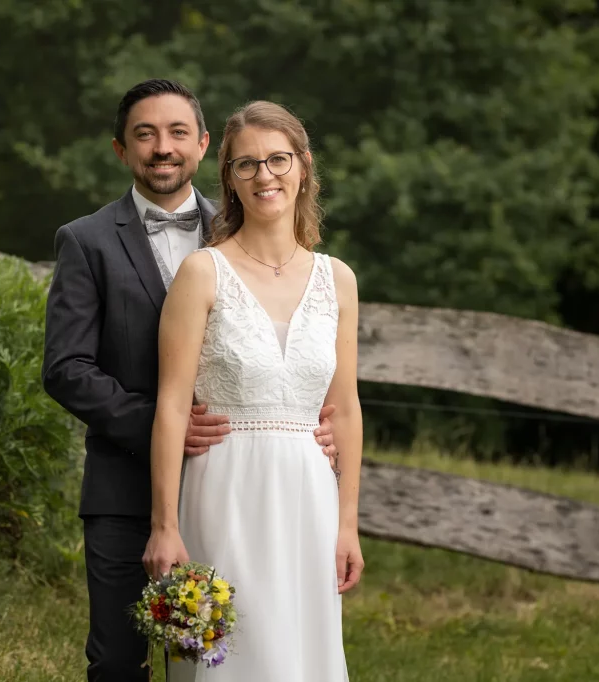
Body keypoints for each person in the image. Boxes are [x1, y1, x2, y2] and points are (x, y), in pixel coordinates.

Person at [41, 80, 338, 682]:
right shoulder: (86, 241)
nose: (162, 148)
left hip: (238, 489)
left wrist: (309, 424)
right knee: (120, 658)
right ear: (121, 150)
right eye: (144, 135)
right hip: (125, 488)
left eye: (178, 133)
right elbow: (66, 369)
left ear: (204, 148)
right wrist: (163, 427)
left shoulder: (247, 231)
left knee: (234, 653)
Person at [143, 100, 364, 681]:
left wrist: (347, 523)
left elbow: (345, 409)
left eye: (278, 160)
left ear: (304, 166)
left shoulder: (337, 279)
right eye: (246, 165)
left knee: (302, 658)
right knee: (232, 657)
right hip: (225, 490)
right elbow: (171, 405)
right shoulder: (203, 273)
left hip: (310, 498)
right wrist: (164, 525)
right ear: (231, 181)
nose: (265, 175)